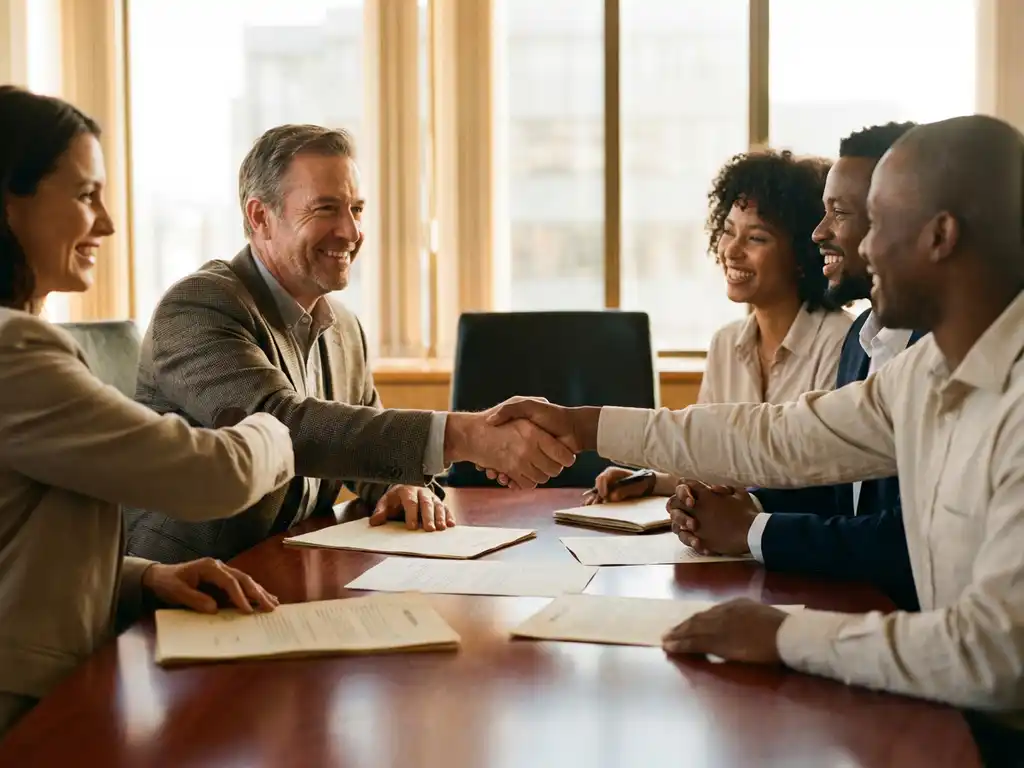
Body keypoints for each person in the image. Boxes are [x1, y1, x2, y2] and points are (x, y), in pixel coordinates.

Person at [484, 116, 1024, 740]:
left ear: (940, 235)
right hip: (942, 714)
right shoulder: (929, 369)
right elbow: (780, 437)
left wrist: (784, 634)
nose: (858, 245)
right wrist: (582, 425)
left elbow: (994, 658)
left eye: (877, 219)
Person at [126, 124, 576, 565]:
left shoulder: (344, 328)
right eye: (325, 209)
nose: (351, 231)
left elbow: (358, 446)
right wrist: (465, 436)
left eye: (356, 209)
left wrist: (402, 487)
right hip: (186, 584)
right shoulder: (198, 306)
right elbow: (284, 429)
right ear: (261, 217)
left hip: (286, 571)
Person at [0, 86, 296, 736]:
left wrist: (145, 578)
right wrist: (284, 423)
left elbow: (22, 543)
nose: (105, 223)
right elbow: (206, 476)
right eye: (85, 196)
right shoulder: (13, 350)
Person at [590, 124, 925, 612]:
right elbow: (802, 476)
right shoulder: (863, 339)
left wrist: (750, 526)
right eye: (727, 232)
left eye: (758, 237)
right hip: (844, 596)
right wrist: (719, 502)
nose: (821, 234)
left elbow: (795, 455)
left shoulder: (865, 341)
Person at [585, 149, 851, 505]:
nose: (732, 251)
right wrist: (651, 480)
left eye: (756, 238)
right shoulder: (726, 343)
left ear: (802, 254)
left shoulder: (841, 342)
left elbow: (822, 480)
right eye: (728, 232)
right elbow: (713, 457)